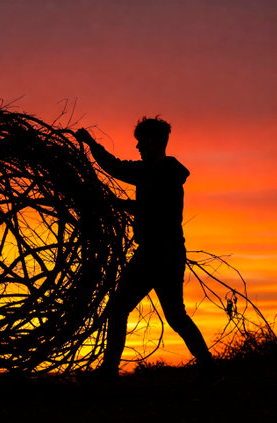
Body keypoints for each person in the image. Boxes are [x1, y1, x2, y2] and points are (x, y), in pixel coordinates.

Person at [76, 117, 214, 380]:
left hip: (158, 252)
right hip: (167, 252)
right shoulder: (151, 171)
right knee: (174, 316)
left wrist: (116, 204)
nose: (138, 146)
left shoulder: (165, 174)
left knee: (120, 308)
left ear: (155, 142)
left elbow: (153, 210)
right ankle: (209, 370)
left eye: (142, 141)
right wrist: (92, 144)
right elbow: (114, 166)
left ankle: (108, 374)